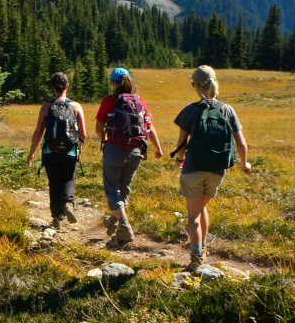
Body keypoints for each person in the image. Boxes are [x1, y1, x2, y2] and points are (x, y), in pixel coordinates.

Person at [173, 65, 252, 270]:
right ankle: (204, 249)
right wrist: (245, 164)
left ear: (197, 86)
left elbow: (181, 143)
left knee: (193, 214)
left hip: (193, 168)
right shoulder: (227, 109)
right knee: (202, 207)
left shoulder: (190, 110)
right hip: (217, 170)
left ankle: (197, 257)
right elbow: (241, 143)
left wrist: (179, 160)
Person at [95, 67, 163, 244]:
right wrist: (158, 147)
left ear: (113, 83)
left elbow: (98, 128)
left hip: (114, 149)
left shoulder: (110, 100)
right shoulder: (139, 99)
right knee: (123, 189)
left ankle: (124, 227)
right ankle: (112, 221)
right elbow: (150, 126)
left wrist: (109, 141)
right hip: (136, 151)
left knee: (111, 189)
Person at [26, 71, 88, 227]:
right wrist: (79, 145)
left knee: (54, 182)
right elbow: (84, 133)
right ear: (67, 86)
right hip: (70, 150)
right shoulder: (75, 106)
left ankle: (57, 217)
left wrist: (32, 153)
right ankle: (68, 203)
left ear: (52, 87)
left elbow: (39, 132)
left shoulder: (46, 107)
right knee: (68, 178)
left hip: (50, 151)